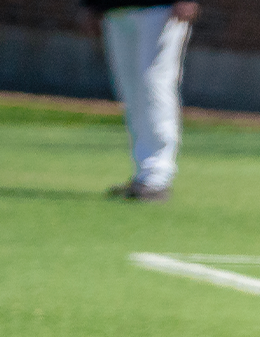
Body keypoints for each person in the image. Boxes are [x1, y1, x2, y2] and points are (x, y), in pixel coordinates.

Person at [77, 0, 198, 201]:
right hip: (116, 10)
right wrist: (90, 6)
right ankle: (144, 174)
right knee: (131, 90)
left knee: (154, 84)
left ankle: (157, 177)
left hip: (159, 9)